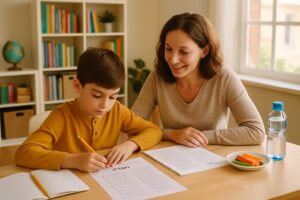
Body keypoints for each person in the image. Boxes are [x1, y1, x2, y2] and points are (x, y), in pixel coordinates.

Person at [15, 48, 162, 172]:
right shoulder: (62, 115)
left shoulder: (117, 110)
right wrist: (72, 160)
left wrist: (130, 145)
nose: (105, 105)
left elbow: (154, 131)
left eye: (112, 97)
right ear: (77, 86)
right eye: (97, 95)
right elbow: (23, 153)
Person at [132, 12, 265, 148]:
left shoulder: (224, 78)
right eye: (168, 49)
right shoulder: (157, 77)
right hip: (171, 157)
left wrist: (200, 137)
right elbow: (131, 125)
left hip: (213, 158)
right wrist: (171, 134)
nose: (173, 60)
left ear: (204, 51)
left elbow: (256, 131)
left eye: (184, 52)